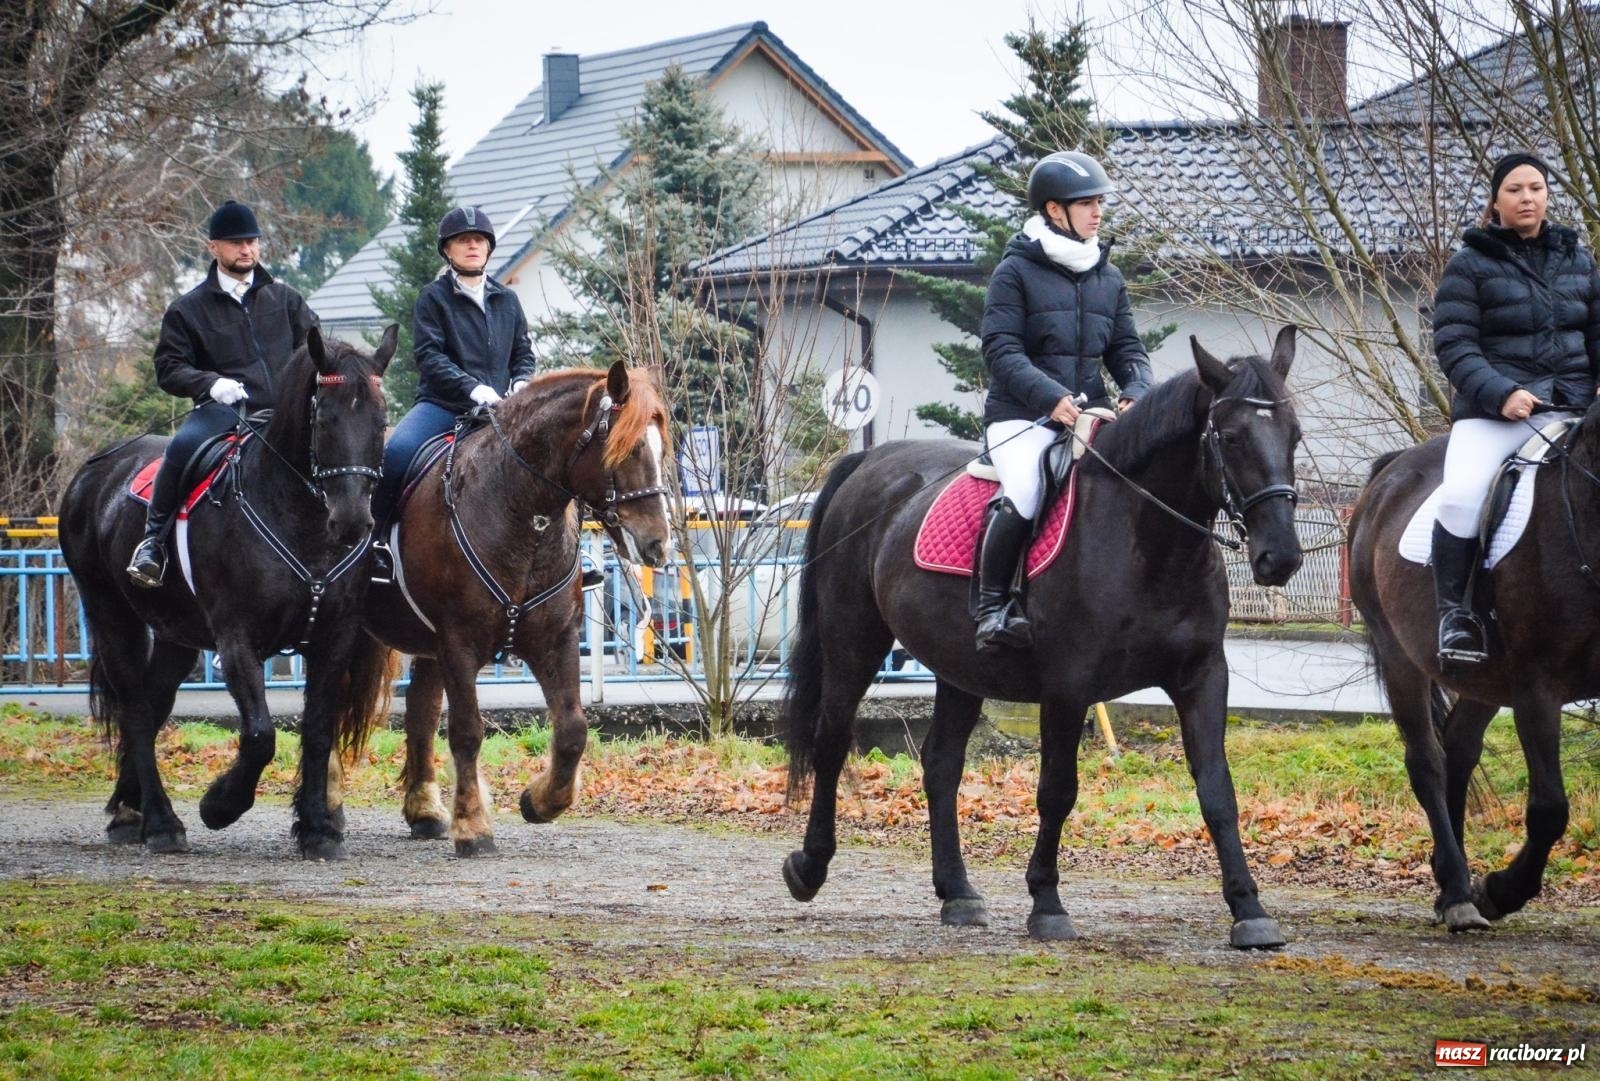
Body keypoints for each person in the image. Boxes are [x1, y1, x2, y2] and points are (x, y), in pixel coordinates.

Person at [974, 150, 1153, 652]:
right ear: (1055, 211)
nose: (1098, 212)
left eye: (1099, 202)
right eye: (1086, 203)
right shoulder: (1015, 272)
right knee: (1028, 490)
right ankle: (992, 608)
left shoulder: (1107, 277)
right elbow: (1001, 350)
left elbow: (1127, 351)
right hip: (1021, 417)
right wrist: (1049, 397)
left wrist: (1136, 392)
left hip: (1089, 416)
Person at [1429, 151, 1600, 665]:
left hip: (1572, 410)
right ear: (1496, 200)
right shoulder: (1469, 265)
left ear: (1548, 195)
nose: (1527, 198)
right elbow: (1454, 344)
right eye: (1515, 190)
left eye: (1536, 188)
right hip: (1496, 416)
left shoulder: (1580, 258)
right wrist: (1500, 392)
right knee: (1460, 496)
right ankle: (1456, 616)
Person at [127, 200, 318, 587]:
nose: (246, 250)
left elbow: (316, 351)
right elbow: (169, 368)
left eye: (251, 241)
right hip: (223, 411)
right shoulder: (188, 309)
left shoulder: (286, 299)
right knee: (182, 447)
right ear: (213, 247)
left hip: (286, 411)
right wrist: (210, 383)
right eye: (235, 243)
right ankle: (153, 543)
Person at [369, 206, 537, 582]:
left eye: (479, 240)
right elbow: (429, 356)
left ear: (489, 248)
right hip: (443, 406)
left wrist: (522, 382)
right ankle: (376, 543)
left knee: (551, 455)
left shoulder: (506, 299)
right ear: (448, 250)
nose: (473, 246)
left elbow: (523, 352)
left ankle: (566, 555)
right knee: (395, 454)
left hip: (501, 410)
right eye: (464, 240)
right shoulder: (433, 298)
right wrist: (473, 388)